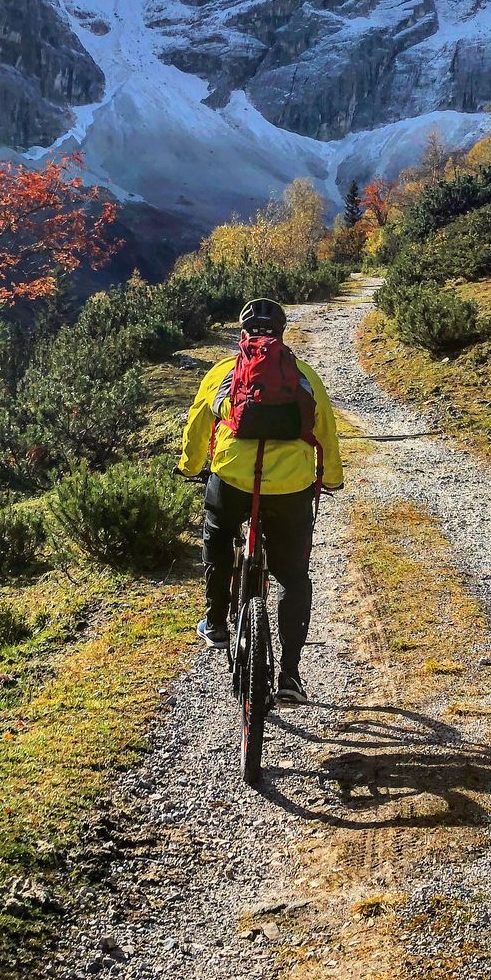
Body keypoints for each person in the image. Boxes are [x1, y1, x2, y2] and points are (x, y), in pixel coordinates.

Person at [179, 298, 344, 704]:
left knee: (217, 532)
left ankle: (216, 621)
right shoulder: (305, 376)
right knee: (292, 574)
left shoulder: (221, 373)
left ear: (243, 335)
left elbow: (199, 423)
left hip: (233, 479)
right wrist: (333, 480)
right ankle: (289, 674)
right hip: (291, 488)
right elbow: (326, 432)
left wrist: (189, 466)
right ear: (282, 335)